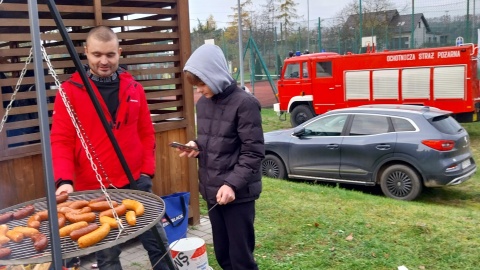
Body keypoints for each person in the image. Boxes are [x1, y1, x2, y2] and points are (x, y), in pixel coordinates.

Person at [50, 25, 174, 270]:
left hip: (135, 181)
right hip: (95, 188)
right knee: (108, 255)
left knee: (158, 243)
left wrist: (147, 172)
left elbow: (146, 133)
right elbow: (61, 140)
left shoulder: (135, 89)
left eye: (110, 54)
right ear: (86, 52)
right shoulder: (69, 92)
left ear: (120, 51)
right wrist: (64, 180)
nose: (104, 61)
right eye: (97, 55)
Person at [178, 44, 265, 270]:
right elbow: (211, 138)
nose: (199, 90)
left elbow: (253, 152)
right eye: (196, 86)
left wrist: (231, 185)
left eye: (201, 84)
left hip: (237, 194)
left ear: (215, 75)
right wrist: (195, 145)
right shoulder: (205, 103)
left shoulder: (245, 104)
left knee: (240, 259)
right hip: (212, 192)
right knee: (223, 255)